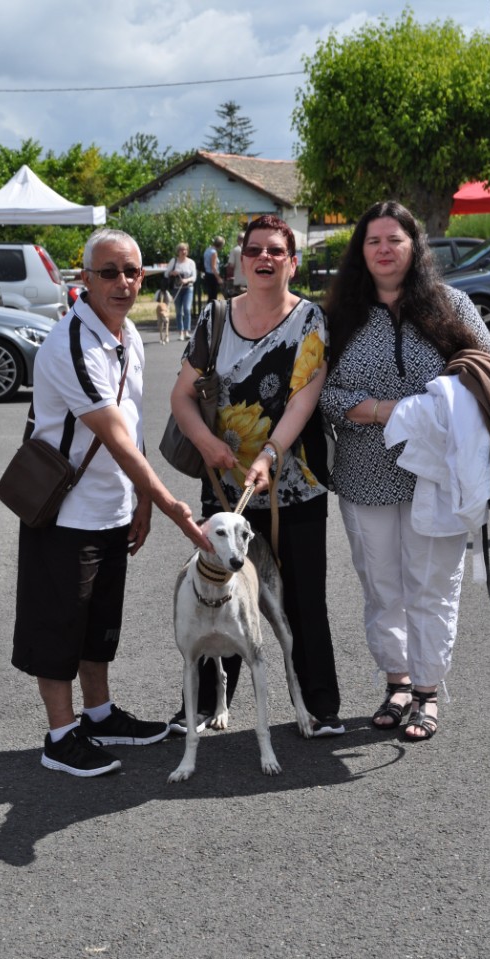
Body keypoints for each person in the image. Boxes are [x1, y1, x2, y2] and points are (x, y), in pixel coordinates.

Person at [11, 227, 210, 777]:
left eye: (132, 272)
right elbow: (113, 435)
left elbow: (133, 423)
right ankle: (60, 736)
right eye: (109, 273)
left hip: (112, 508)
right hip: (64, 511)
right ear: (85, 279)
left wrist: (141, 502)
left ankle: (98, 715)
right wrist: (170, 505)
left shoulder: (129, 338)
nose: (122, 283)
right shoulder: (71, 343)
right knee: (59, 627)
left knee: (99, 622)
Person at [320, 200, 490, 742]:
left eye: (394, 240)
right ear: (361, 251)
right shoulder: (338, 316)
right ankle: (396, 682)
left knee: (432, 586)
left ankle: (427, 690)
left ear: (414, 246)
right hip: (364, 475)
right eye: (373, 241)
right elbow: (320, 392)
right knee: (381, 587)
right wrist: (385, 412)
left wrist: (430, 413)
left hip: (438, 477)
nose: (384, 250)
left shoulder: (452, 305)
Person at [168, 214, 342, 737]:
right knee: (216, 593)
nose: (264, 258)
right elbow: (181, 397)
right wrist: (207, 444)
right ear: (241, 261)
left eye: (275, 251)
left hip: (295, 482)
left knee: (302, 598)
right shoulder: (216, 317)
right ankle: (203, 707)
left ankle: (318, 706)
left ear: (293, 262)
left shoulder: (310, 319)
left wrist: (268, 454)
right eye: (254, 250)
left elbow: (303, 400)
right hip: (224, 488)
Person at [167, 242, 197, 341]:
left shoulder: (191, 262)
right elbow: (166, 273)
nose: (183, 252)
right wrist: (172, 272)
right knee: (179, 311)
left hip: (188, 288)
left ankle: (186, 331)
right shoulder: (174, 261)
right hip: (176, 289)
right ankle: (180, 332)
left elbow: (194, 277)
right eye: (181, 250)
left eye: (185, 250)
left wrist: (187, 280)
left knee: (187, 309)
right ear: (178, 251)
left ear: (187, 251)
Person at [202, 235, 225, 303]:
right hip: (212, 276)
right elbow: (213, 267)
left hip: (207, 274)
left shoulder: (207, 250)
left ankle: (209, 308)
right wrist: (219, 278)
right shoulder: (214, 252)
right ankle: (211, 309)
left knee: (210, 295)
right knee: (213, 296)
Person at [225, 231, 246, 296]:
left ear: (237, 240)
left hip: (238, 281)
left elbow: (231, 265)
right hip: (250, 282)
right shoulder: (252, 250)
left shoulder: (235, 250)